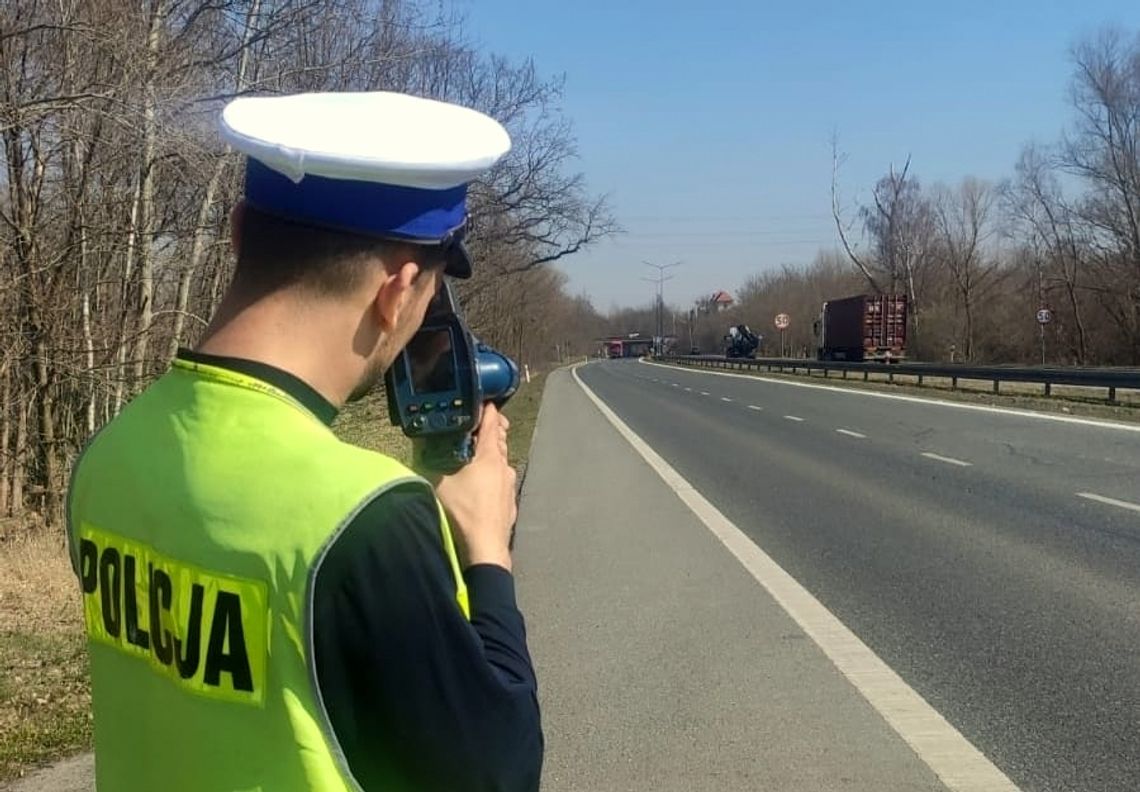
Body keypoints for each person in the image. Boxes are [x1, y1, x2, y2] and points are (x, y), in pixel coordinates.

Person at [66, 92, 543, 791]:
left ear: (236, 233)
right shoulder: (366, 517)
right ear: (399, 290)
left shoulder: (106, 455)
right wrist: (487, 553)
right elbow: (497, 771)